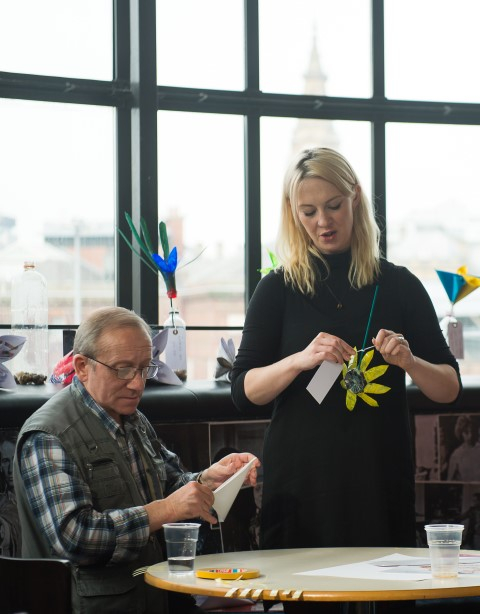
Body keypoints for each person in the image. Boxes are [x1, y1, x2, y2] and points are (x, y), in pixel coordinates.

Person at [230, 147, 461, 613]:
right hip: (302, 483)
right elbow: (244, 391)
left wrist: (411, 362)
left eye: (333, 206)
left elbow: (448, 387)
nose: (323, 222)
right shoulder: (277, 288)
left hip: (379, 479)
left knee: (389, 604)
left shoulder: (398, 285)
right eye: (308, 211)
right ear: (294, 215)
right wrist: (298, 360)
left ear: (355, 198)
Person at [13, 306, 259, 614]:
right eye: (124, 369)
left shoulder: (133, 418)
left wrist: (208, 480)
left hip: (155, 597)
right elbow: (76, 538)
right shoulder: (48, 436)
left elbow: (172, 484)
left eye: (145, 369)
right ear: (82, 366)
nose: (137, 384)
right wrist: (166, 509)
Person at [447, 415, 480, 481]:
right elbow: (449, 480)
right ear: (461, 433)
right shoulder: (456, 455)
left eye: (472, 431)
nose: (470, 436)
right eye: (466, 432)